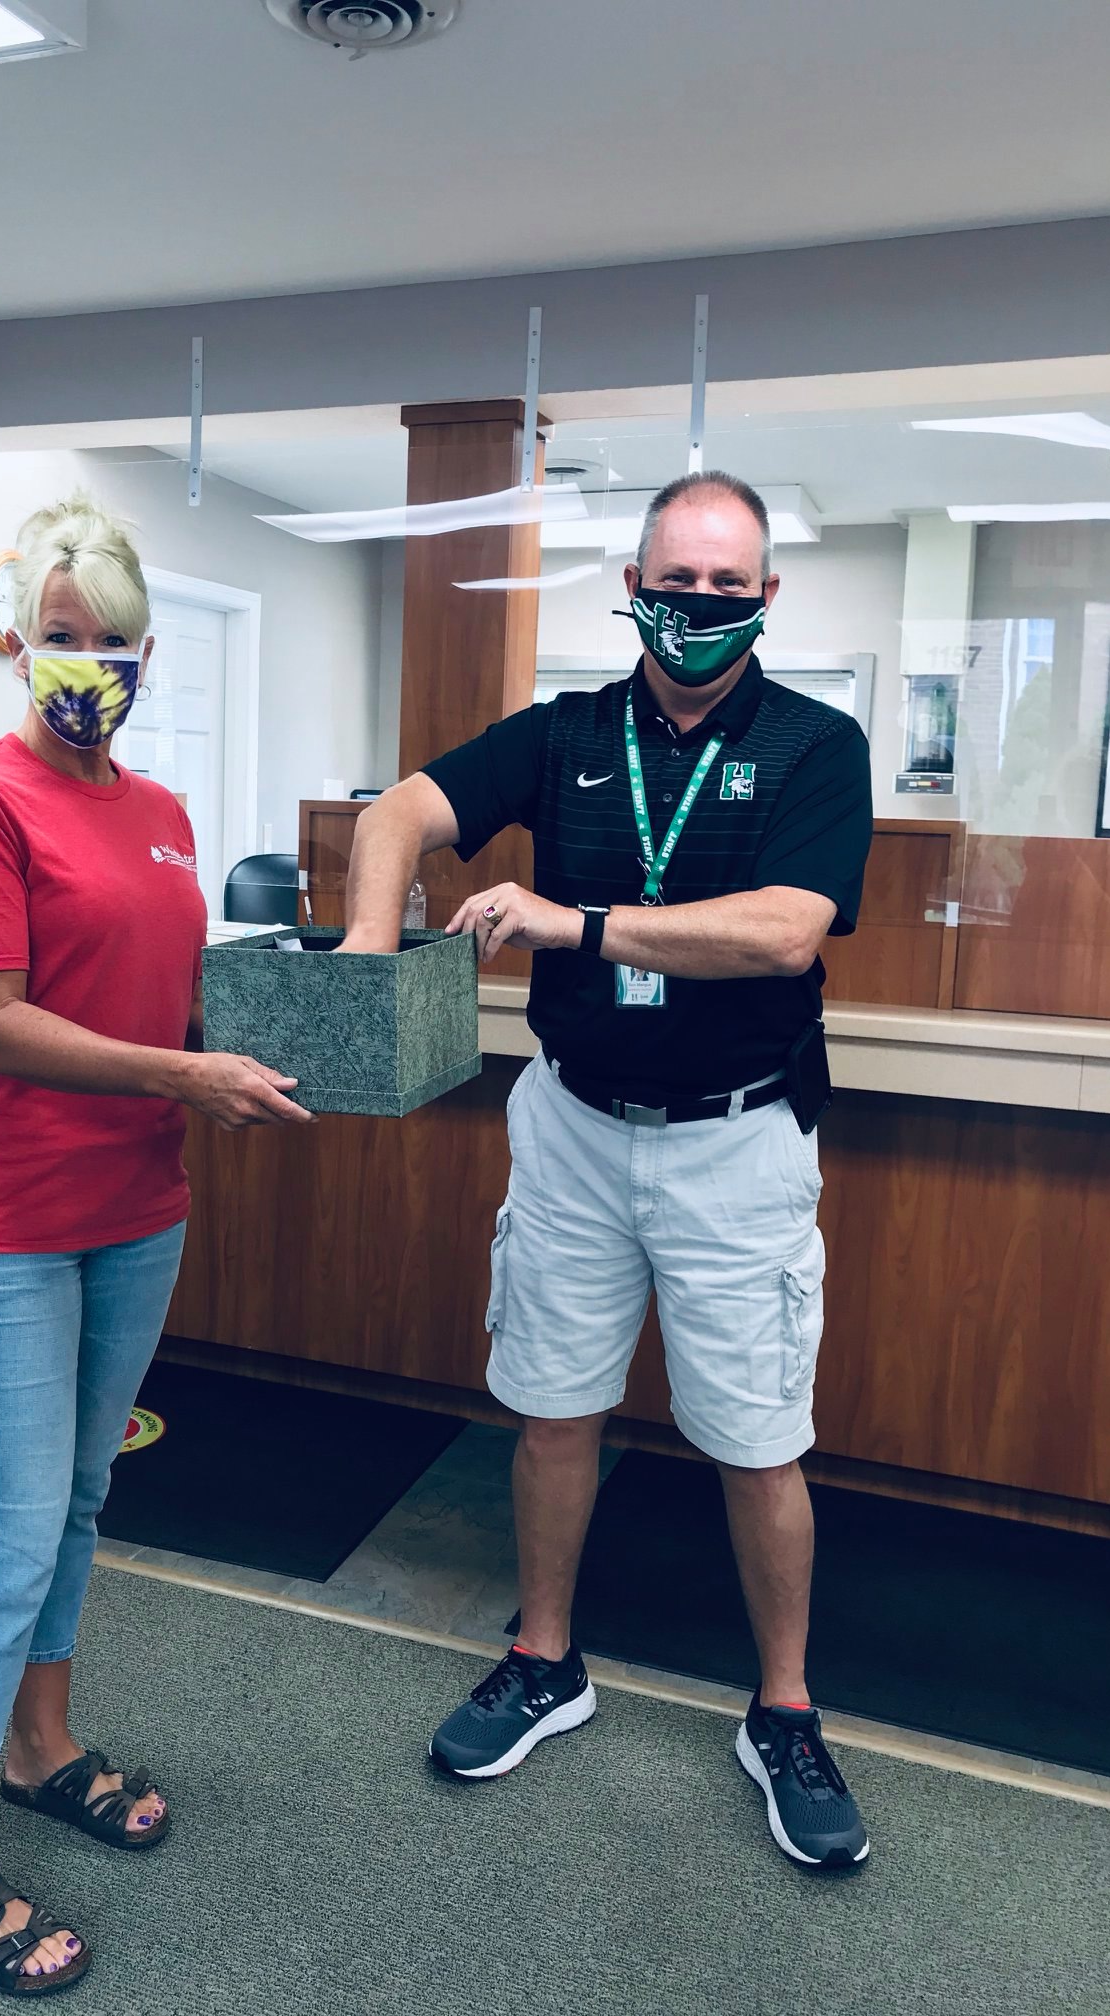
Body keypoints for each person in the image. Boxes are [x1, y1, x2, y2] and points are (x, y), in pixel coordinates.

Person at [339, 470, 874, 1870]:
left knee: (759, 1441)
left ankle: (785, 1709)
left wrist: (575, 923)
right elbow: (396, 815)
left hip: (738, 1140)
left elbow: (785, 932)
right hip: (574, 1127)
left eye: (727, 585)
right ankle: (544, 1658)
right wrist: (365, 956)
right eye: (675, 580)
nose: (699, 604)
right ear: (632, 586)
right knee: (552, 1409)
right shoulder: (568, 735)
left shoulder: (816, 745)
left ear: (767, 596)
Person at [0, 492, 312, 1994]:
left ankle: (41, 1747)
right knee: (6, 1539)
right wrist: (184, 1077)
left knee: (75, 1504)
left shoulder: (164, 814)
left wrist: (283, 1030)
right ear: (22, 640)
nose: (92, 663)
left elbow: (161, 993)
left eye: (118, 641)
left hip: (136, 1212)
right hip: (1, 1222)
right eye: (64, 636)